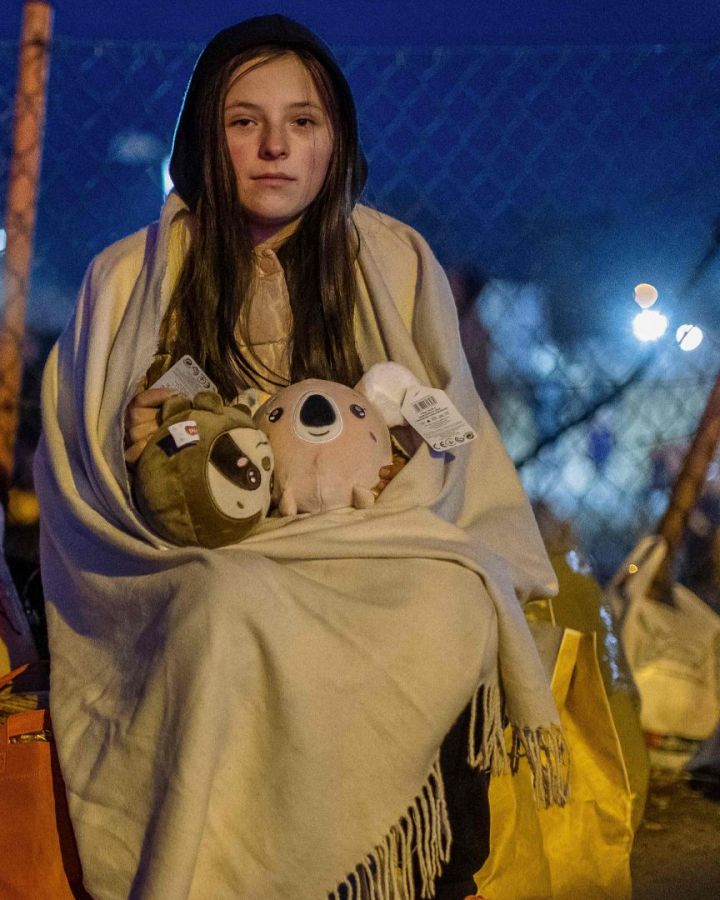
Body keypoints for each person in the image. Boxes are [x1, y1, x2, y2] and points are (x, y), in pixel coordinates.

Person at [35, 16, 567, 900]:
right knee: (226, 605)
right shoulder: (131, 276)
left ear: (337, 139)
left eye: (304, 121)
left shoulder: (392, 259)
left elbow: (451, 433)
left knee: (449, 594)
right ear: (205, 135)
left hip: (373, 539)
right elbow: (87, 468)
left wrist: (400, 474)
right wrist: (142, 454)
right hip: (209, 549)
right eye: (245, 121)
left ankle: (418, 873)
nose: (275, 146)